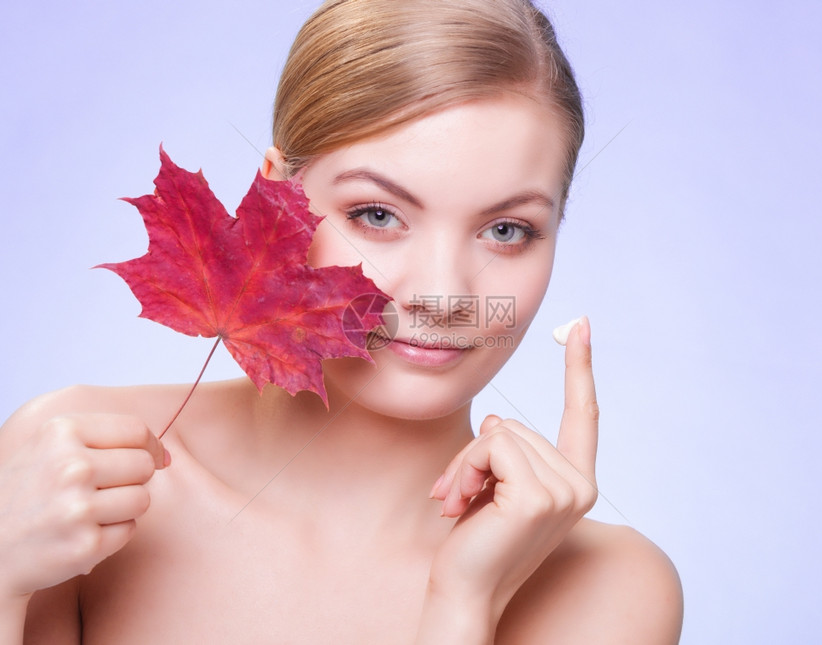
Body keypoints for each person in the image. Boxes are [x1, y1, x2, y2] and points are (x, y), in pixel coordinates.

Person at [0, 0, 683, 642]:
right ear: (277, 198)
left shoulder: (610, 590)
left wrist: (461, 604)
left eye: (506, 229)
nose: (444, 296)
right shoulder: (75, 477)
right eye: (378, 215)